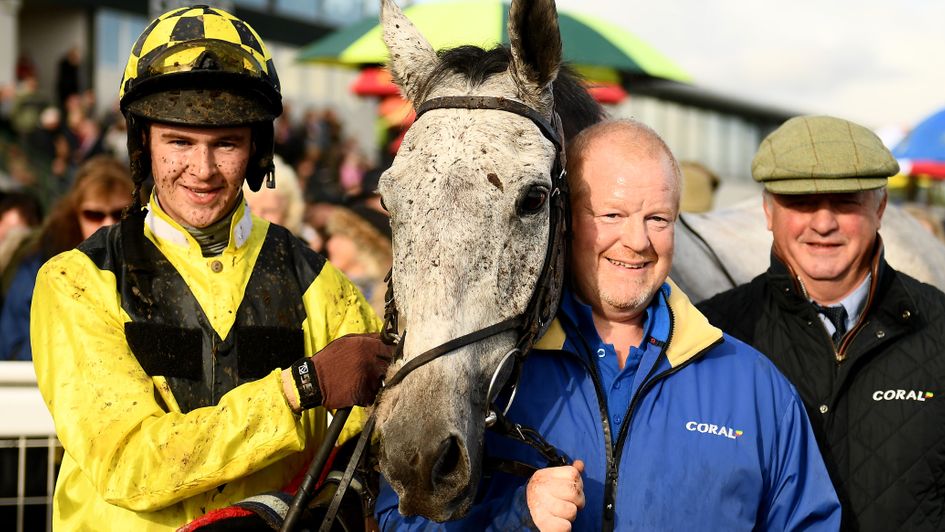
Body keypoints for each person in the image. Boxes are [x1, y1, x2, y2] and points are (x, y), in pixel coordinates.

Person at [375, 119, 841, 530]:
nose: (637, 241)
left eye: (657, 218)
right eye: (612, 215)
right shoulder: (487, 375)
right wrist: (517, 516)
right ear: (567, 221)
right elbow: (399, 521)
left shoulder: (756, 387)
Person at [31, 6, 390, 530]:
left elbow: (375, 442)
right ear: (144, 143)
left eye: (225, 143)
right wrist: (300, 388)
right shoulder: (76, 281)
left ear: (257, 150)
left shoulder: (321, 284)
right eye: (179, 141)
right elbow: (130, 464)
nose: (202, 171)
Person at [698, 115, 945, 532]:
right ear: (768, 211)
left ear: (880, 208)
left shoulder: (938, 326)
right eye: (802, 202)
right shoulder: (711, 334)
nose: (823, 223)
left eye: (846, 201)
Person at [0, 156, 131, 360]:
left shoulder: (155, 260)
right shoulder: (40, 261)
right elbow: (16, 348)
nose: (108, 224)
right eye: (94, 214)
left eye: (120, 213)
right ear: (75, 214)